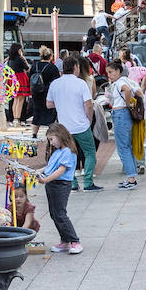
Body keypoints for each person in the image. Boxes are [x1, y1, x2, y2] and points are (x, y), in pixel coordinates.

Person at [46, 56, 98, 192]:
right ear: (75, 67)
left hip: (64, 126)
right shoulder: (80, 83)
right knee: (90, 152)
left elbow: (49, 104)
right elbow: (88, 105)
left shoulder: (55, 84)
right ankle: (88, 182)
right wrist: (89, 119)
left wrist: (62, 103)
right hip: (81, 125)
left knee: (68, 154)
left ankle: (73, 183)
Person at [33, 124, 82, 254]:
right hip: (52, 184)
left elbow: (61, 170)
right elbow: (50, 167)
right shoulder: (58, 152)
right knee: (54, 214)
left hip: (61, 185)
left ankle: (75, 241)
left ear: (60, 135)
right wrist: (37, 172)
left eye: (51, 139)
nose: (51, 143)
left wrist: (45, 180)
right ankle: (65, 240)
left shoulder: (68, 152)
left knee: (60, 214)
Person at [101, 59, 142, 191]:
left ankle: (131, 179)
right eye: (107, 72)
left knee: (123, 148)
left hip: (120, 114)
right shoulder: (126, 80)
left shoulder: (120, 82)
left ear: (118, 71)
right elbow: (138, 92)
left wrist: (127, 104)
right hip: (124, 115)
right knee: (127, 147)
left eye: (111, 72)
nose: (109, 75)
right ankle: (131, 177)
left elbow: (127, 90)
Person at [29, 46, 60, 138]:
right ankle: (50, 134)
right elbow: (56, 81)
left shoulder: (35, 65)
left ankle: (34, 134)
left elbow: (30, 77)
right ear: (51, 57)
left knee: (37, 113)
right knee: (50, 114)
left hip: (36, 93)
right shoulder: (52, 67)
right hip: (48, 93)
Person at [7, 45, 29, 124]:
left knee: (15, 100)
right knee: (21, 100)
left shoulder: (10, 59)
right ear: (18, 50)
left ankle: (14, 119)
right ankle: (18, 118)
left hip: (13, 79)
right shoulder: (20, 59)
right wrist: (25, 60)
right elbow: (27, 68)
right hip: (20, 79)